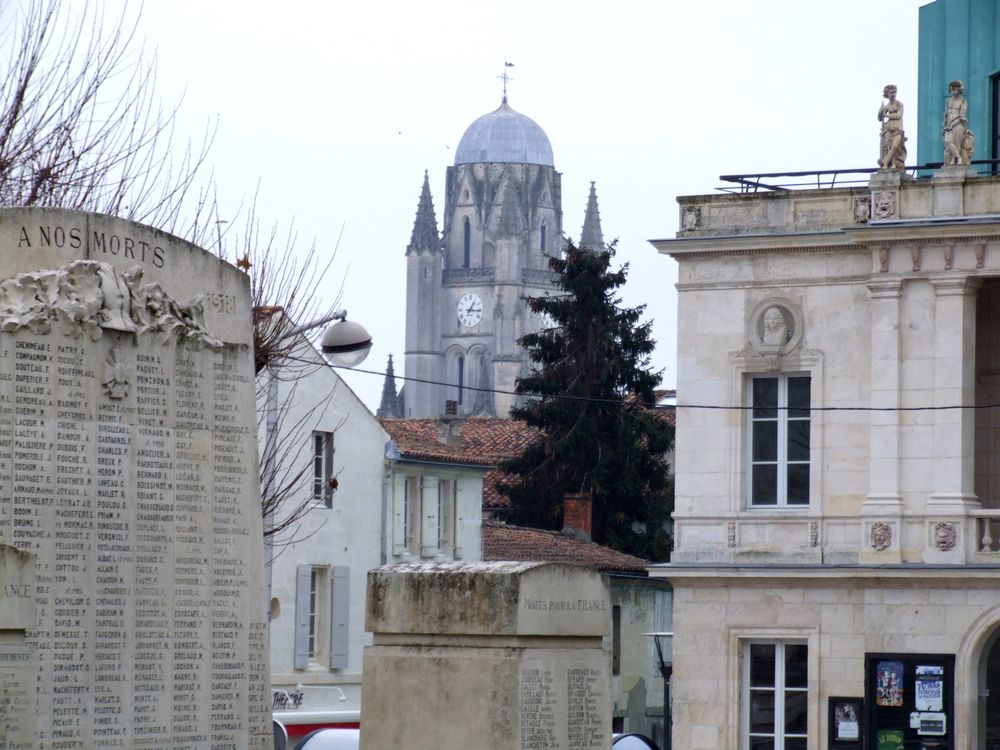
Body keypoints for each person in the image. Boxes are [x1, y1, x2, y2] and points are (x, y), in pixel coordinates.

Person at [943, 79, 973, 166]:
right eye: (951, 89)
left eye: (954, 88)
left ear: (958, 89)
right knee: (948, 142)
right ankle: (957, 156)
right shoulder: (948, 100)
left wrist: (952, 124)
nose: (952, 90)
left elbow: (961, 116)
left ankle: (955, 159)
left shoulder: (963, 101)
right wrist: (945, 124)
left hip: (958, 124)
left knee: (957, 142)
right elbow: (946, 114)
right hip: (948, 125)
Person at [878, 84, 906, 170]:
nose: (893, 94)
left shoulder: (899, 104)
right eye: (890, 93)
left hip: (898, 128)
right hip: (888, 128)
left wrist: (886, 115)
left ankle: (885, 162)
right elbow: (879, 118)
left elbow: (899, 115)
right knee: (889, 146)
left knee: (895, 146)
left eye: (894, 92)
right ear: (887, 94)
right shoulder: (886, 107)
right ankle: (892, 164)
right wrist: (880, 112)